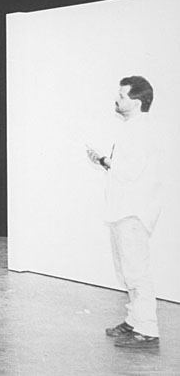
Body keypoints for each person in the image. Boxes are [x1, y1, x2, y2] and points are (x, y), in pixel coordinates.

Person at [86, 76, 162, 349]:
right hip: (123, 211)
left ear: (137, 102)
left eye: (122, 96)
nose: (117, 100)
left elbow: (130, 172)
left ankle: (148, 330)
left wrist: (104, 160)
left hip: (133, 213)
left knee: (136, 272)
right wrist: (105, 161)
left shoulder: (141, 131)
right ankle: (134, 321)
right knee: (127, 271)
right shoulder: (133, 128)